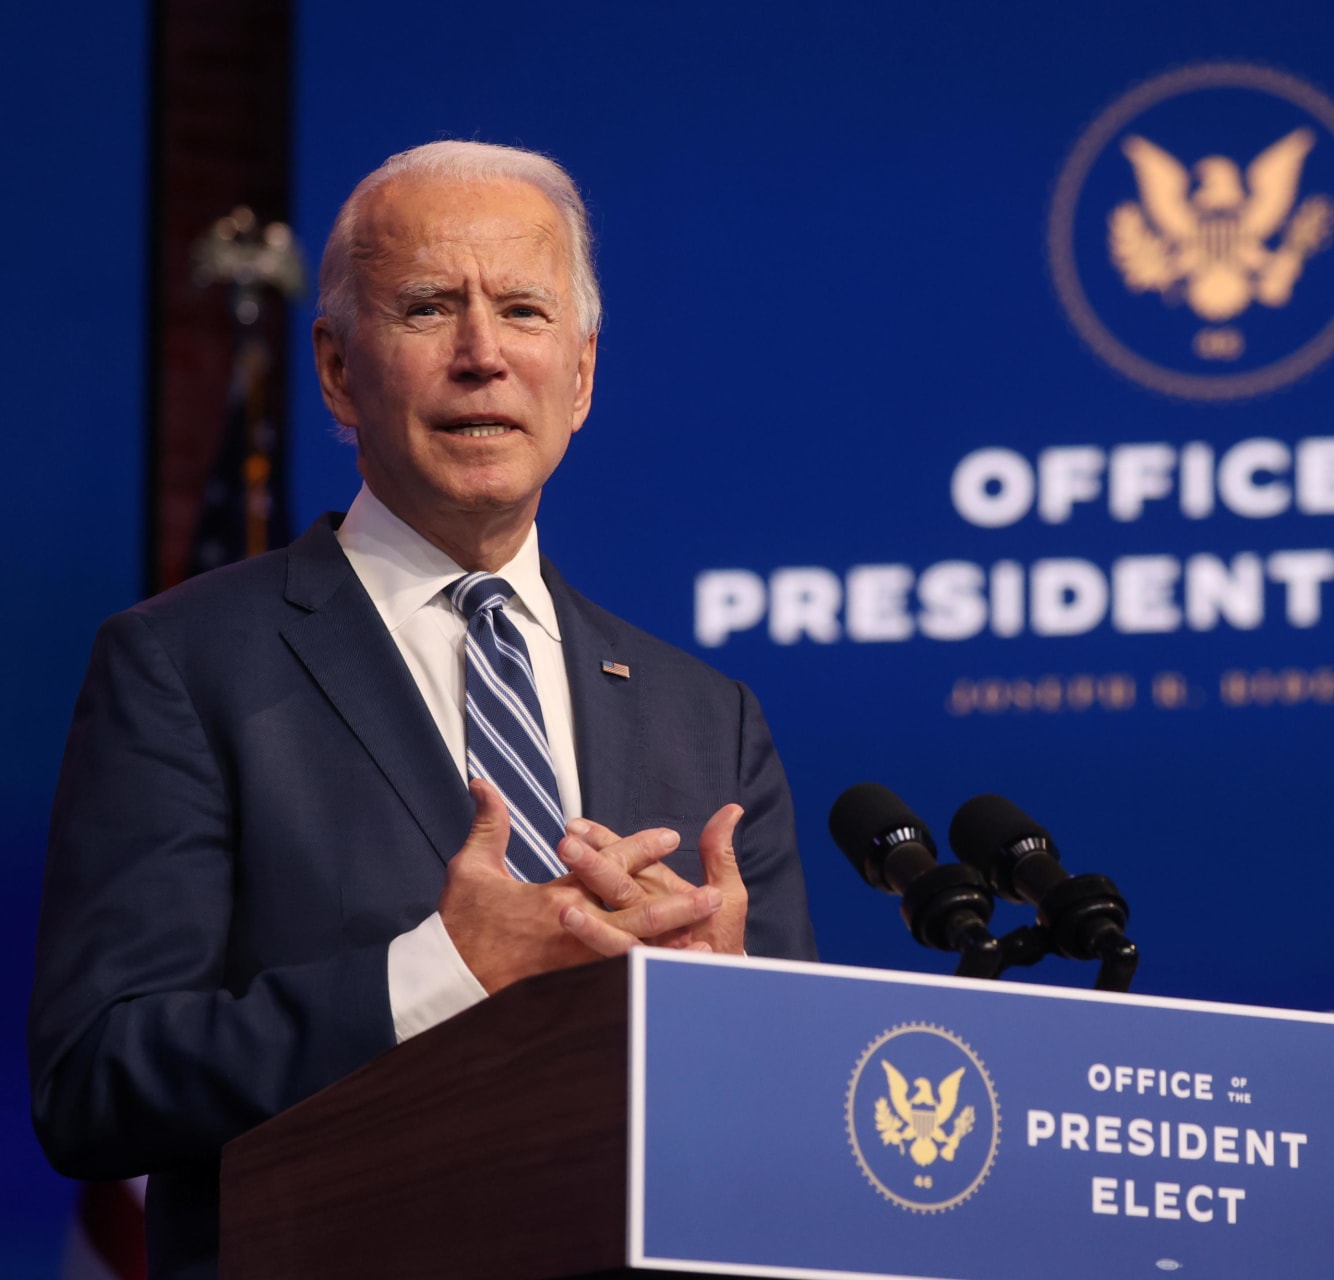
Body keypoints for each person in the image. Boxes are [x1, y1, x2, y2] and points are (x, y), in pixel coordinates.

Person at [28, 141, 817, 1279]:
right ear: (340, 369)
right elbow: (95, 1082)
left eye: (525, 311)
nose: (483, 355)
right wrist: (443, 966)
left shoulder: (710, 718)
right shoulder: (182, 665)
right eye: (429, 306)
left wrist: (732, 1010)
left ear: (582, 376)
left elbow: (797, 1129)